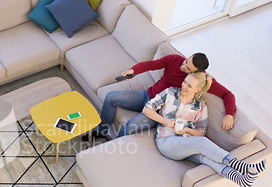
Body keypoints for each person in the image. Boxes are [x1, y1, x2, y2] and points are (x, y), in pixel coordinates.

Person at [142, 72, 266, 187]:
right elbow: (147, 109)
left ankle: (240, 179)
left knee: (206, 158)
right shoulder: (169, 93)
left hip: (187, 144)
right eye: (185, 82)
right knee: (201, 142)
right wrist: (165, 121)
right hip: (166, 141)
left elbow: (201, 132)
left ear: (197, 90)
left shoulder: (200, 106)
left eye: (189, 85)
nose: (184, 86)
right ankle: (244, 167)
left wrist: (187, 130)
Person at [83, 53, 236, 141]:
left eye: (188, 68)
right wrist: (133, 70)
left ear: (196, 73)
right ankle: (101, 130)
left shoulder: (199, 80)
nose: (183, 66)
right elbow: (151, 64)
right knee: (110, 97)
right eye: (185, 61)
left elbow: (227, 94)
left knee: (130, 126)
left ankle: (113, 148)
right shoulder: (175, 59)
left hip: (158, 111)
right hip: (146, 95)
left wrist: (229, 114)